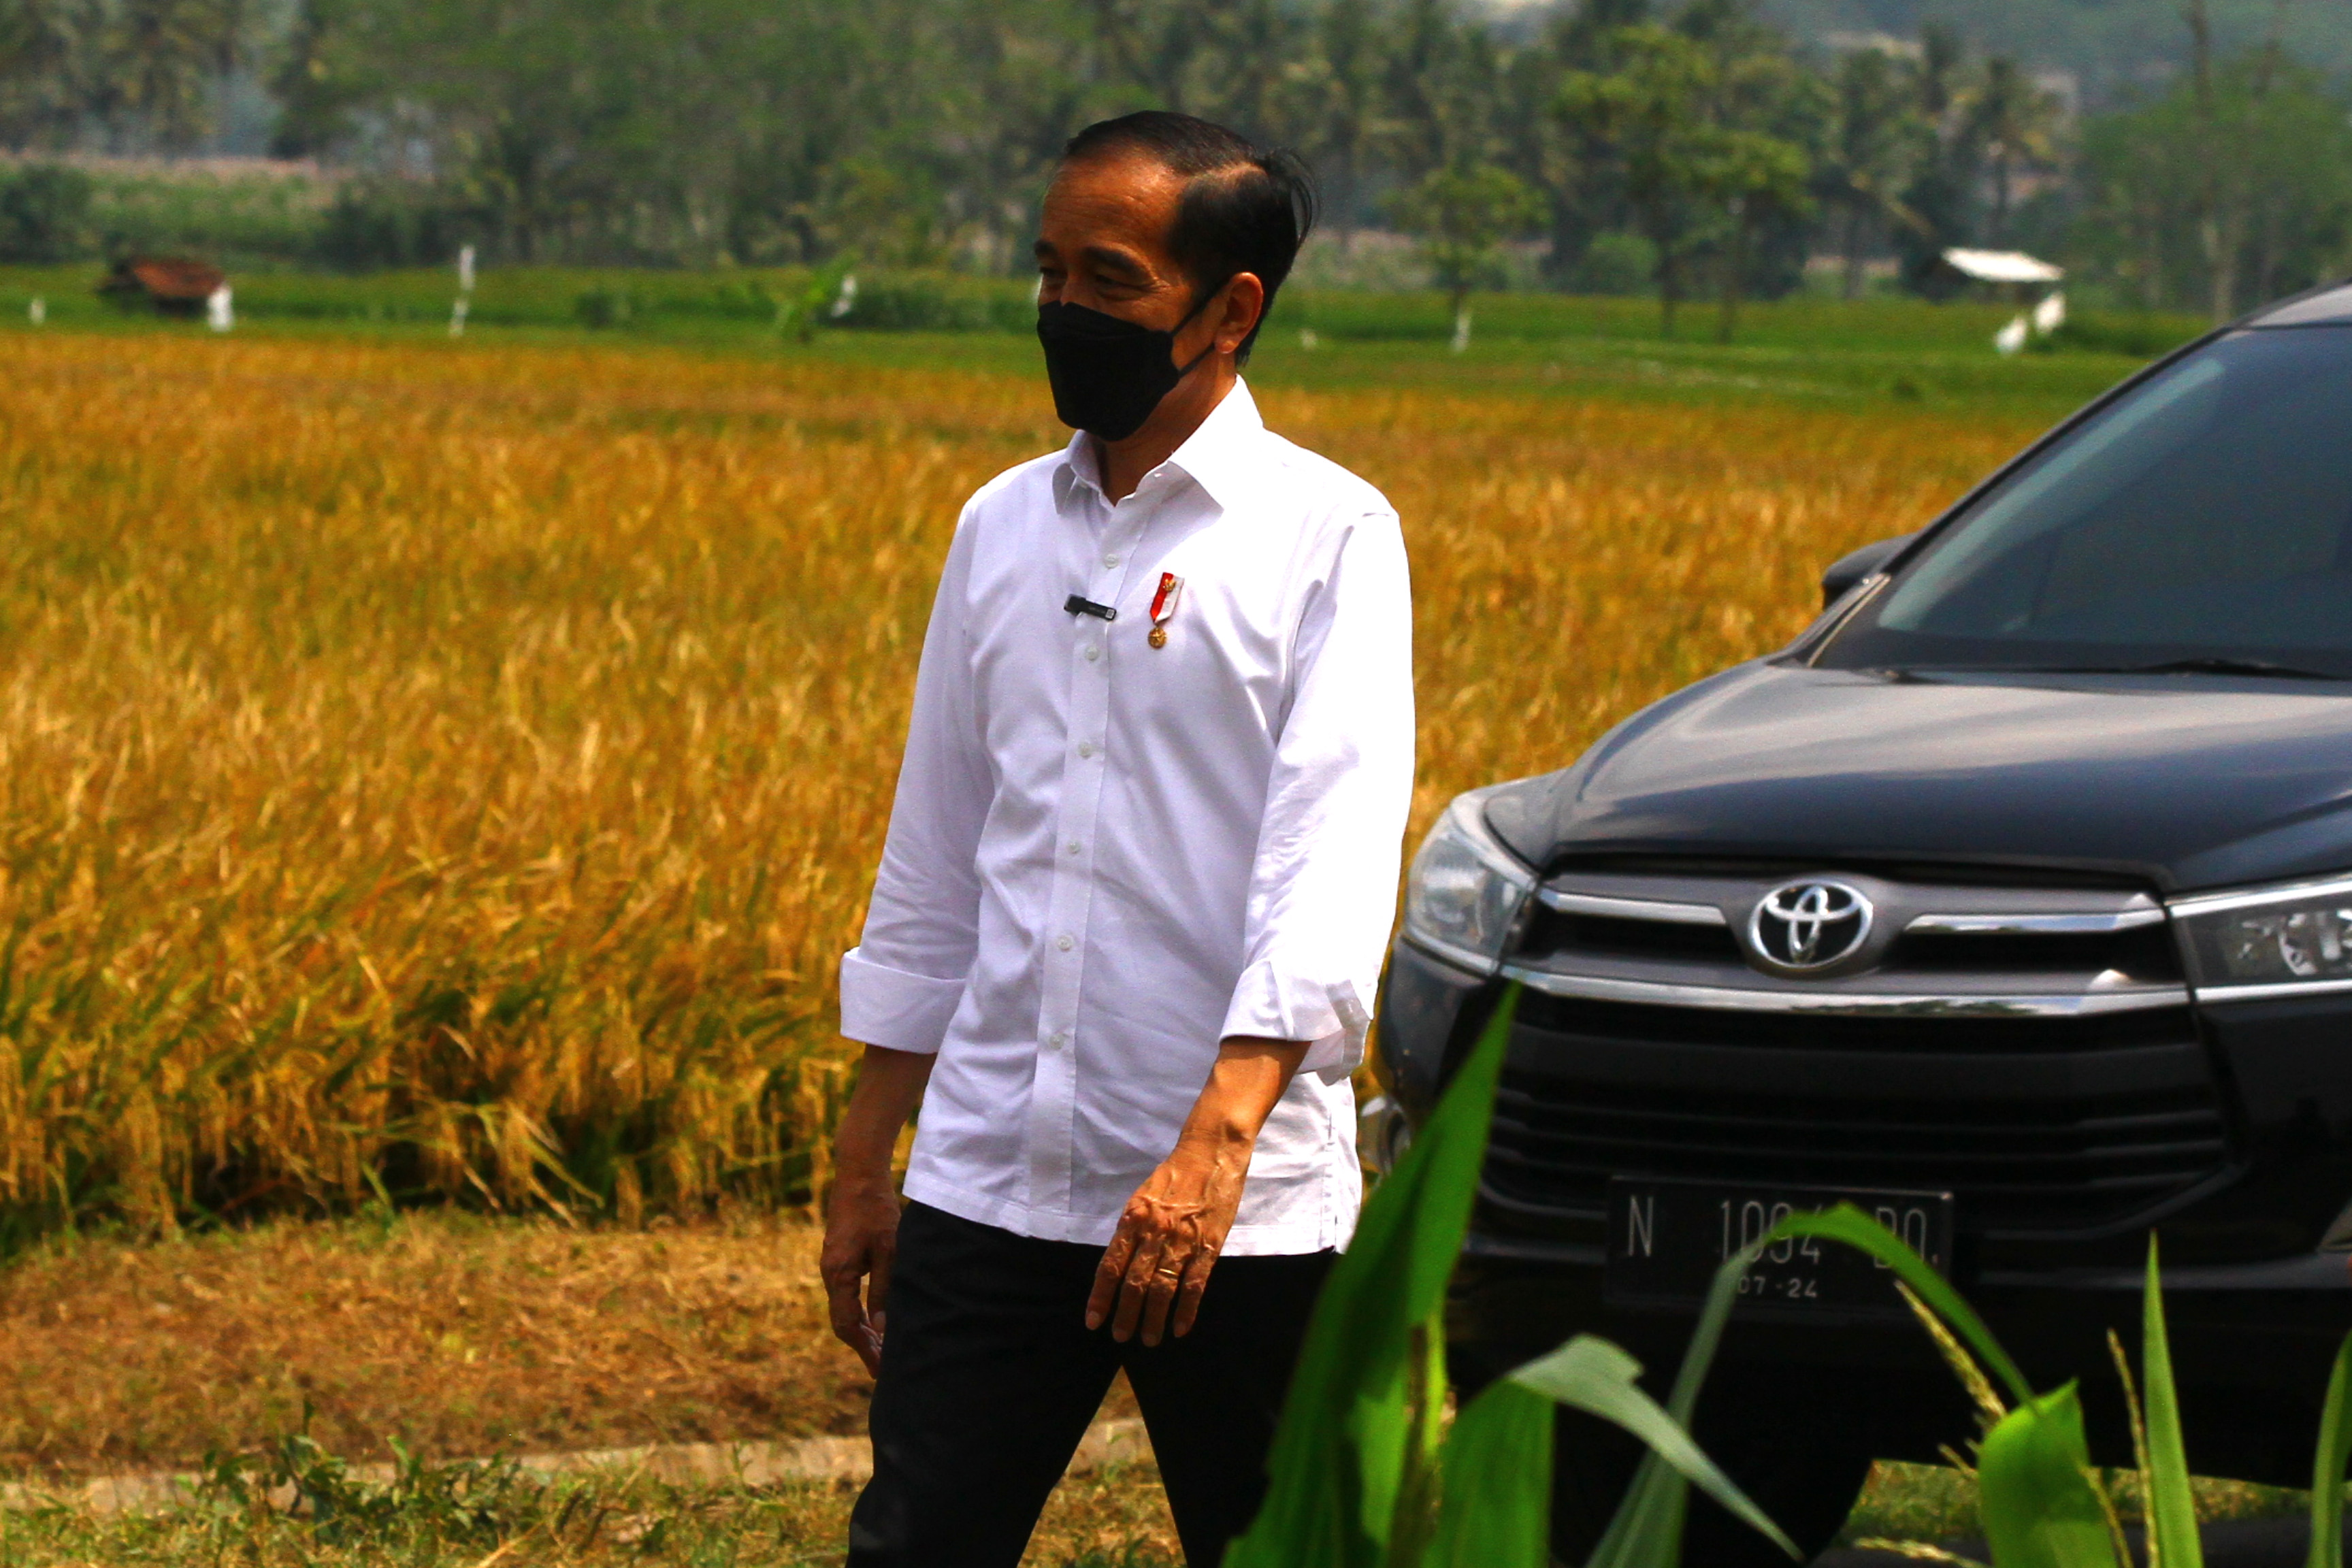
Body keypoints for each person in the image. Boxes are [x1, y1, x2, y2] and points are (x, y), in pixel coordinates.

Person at [821, 110, 1415, 1568]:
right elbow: (937, 848)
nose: (1063, 311)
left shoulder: (1329, 537)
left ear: (1230, 310)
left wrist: (1213, 1149)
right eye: (1049, 273)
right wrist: (870, 1155)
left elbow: (1329, 868)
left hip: (1233, 1209)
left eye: (1109, 280)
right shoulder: (1000, 527)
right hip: (992, 1177)